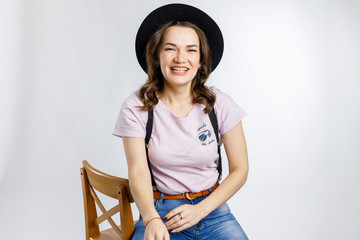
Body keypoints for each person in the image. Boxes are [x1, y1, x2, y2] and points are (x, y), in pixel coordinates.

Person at [113, 3, 249, 240]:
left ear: (201, 60)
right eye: (170, 49)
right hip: (160, 212)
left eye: (191, 50)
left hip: (213, 211)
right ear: (156, 56)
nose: (180, 59)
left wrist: (200, 210)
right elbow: (138, 172)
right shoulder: (136, 107)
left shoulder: (220, 104)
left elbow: (240, 169)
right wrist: (152, 219)